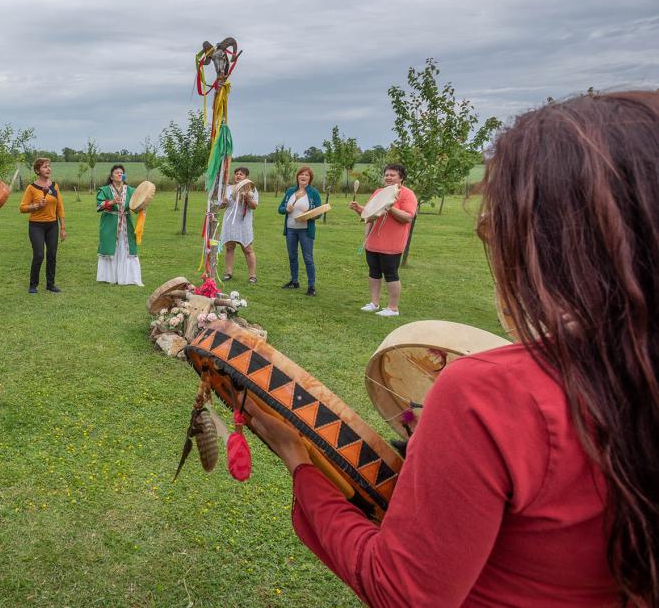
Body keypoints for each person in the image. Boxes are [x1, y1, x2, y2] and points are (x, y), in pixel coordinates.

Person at [244, 92, 659, 606]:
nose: (488, 232)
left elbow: (402, 590)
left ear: (539, 237)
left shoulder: (490, 393)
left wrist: (301, 464)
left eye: (496, 220)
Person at [349, 164, 416, 316]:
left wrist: (390, 207)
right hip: (373, 242)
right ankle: (374, 303)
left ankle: (393, 308)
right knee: (374, 272)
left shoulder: (407, 194)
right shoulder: (379, 192)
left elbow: (408, 217)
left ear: (401, 178)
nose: (388, 177)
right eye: (386, 175)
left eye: (392, 175)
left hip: (392, 243)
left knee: (391, 273)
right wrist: (359, 208)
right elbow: (369, 214)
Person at [18, 157, 67, 294]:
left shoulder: (54, 186)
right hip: (36, 226)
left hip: (52, 225)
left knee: (52, 255)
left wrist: (62, 228)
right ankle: (33, 285)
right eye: (45, 166)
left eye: (49, 166)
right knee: (39, 255)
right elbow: (22, 208)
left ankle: (50, 285)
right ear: (37, 170)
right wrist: (35, 206)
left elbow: (60, 208)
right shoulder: (31, 188)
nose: (48, 169)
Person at [278, 166, 323, 295]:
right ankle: (294, 281)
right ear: (297, 176)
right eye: (301, 174)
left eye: (306, 175)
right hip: (291, 230)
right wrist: (286, 209)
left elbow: (319, 212)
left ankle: (311, 286)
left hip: (305, 231)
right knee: (292, 257)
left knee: (308, 258)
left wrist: (310, 214)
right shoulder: (291, 191)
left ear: (310, 178)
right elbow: (280, 209)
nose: (303, 177)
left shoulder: (313, 193)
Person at [95, 165, 142, 286]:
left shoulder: (131, 190)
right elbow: (99, 206)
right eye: (117, 173)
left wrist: (142, 205)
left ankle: (129, 278)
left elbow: (136, 206)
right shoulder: (104, 190)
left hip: (126, 223)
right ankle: (110, 277)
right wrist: (112, 201)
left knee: (126, 248)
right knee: (111, 247)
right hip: (110, 223)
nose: (120, 174)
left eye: (122, 173)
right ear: (111, 177)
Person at [218, 166, 259, 283]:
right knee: (229, 248)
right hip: (230, 222)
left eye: (241, 174)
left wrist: (247, 199)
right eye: (236, 173)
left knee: (248, 249)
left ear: (246, 177)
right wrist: (223, 203)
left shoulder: (251, 189)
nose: (238, 175)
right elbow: (220, 206)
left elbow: (254, 206)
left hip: (244, 222)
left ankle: (252, 276)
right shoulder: (228, 188)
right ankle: (228, 272)